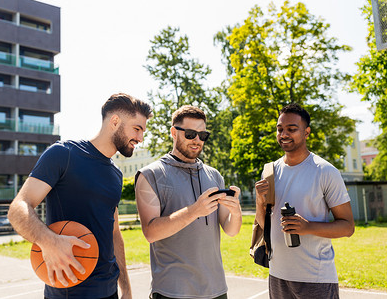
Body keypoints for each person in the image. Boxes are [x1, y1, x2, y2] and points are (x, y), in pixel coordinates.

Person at [8, 93, 153, 299]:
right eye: (137, 129)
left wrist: (126, 288)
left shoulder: (116, 174)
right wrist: (47, 240)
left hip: (109, 290)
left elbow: (114, 233)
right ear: (115, 121)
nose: (140, 138)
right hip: (68, 290)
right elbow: (19, 207)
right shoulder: (63, 154)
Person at [135, 105, 242, 299]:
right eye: (191, 134)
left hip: (216, 289)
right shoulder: (151, 175)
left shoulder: (215, 176)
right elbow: (150, 233)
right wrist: (194, 211)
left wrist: (236, 212)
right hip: (172, 291)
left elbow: (231, 230)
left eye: (203, 135)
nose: (197, 141)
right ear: (174, 133)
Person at [255, 103, 355, 299]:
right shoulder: (270, 171)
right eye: (280, 129)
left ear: (307, 132)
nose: (284, 134)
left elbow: (347, 227)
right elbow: (264, 224)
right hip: (277, 275)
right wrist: (259, 200)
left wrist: (307, 226)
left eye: (291, 129)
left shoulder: (325, 171)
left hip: (315, 278)